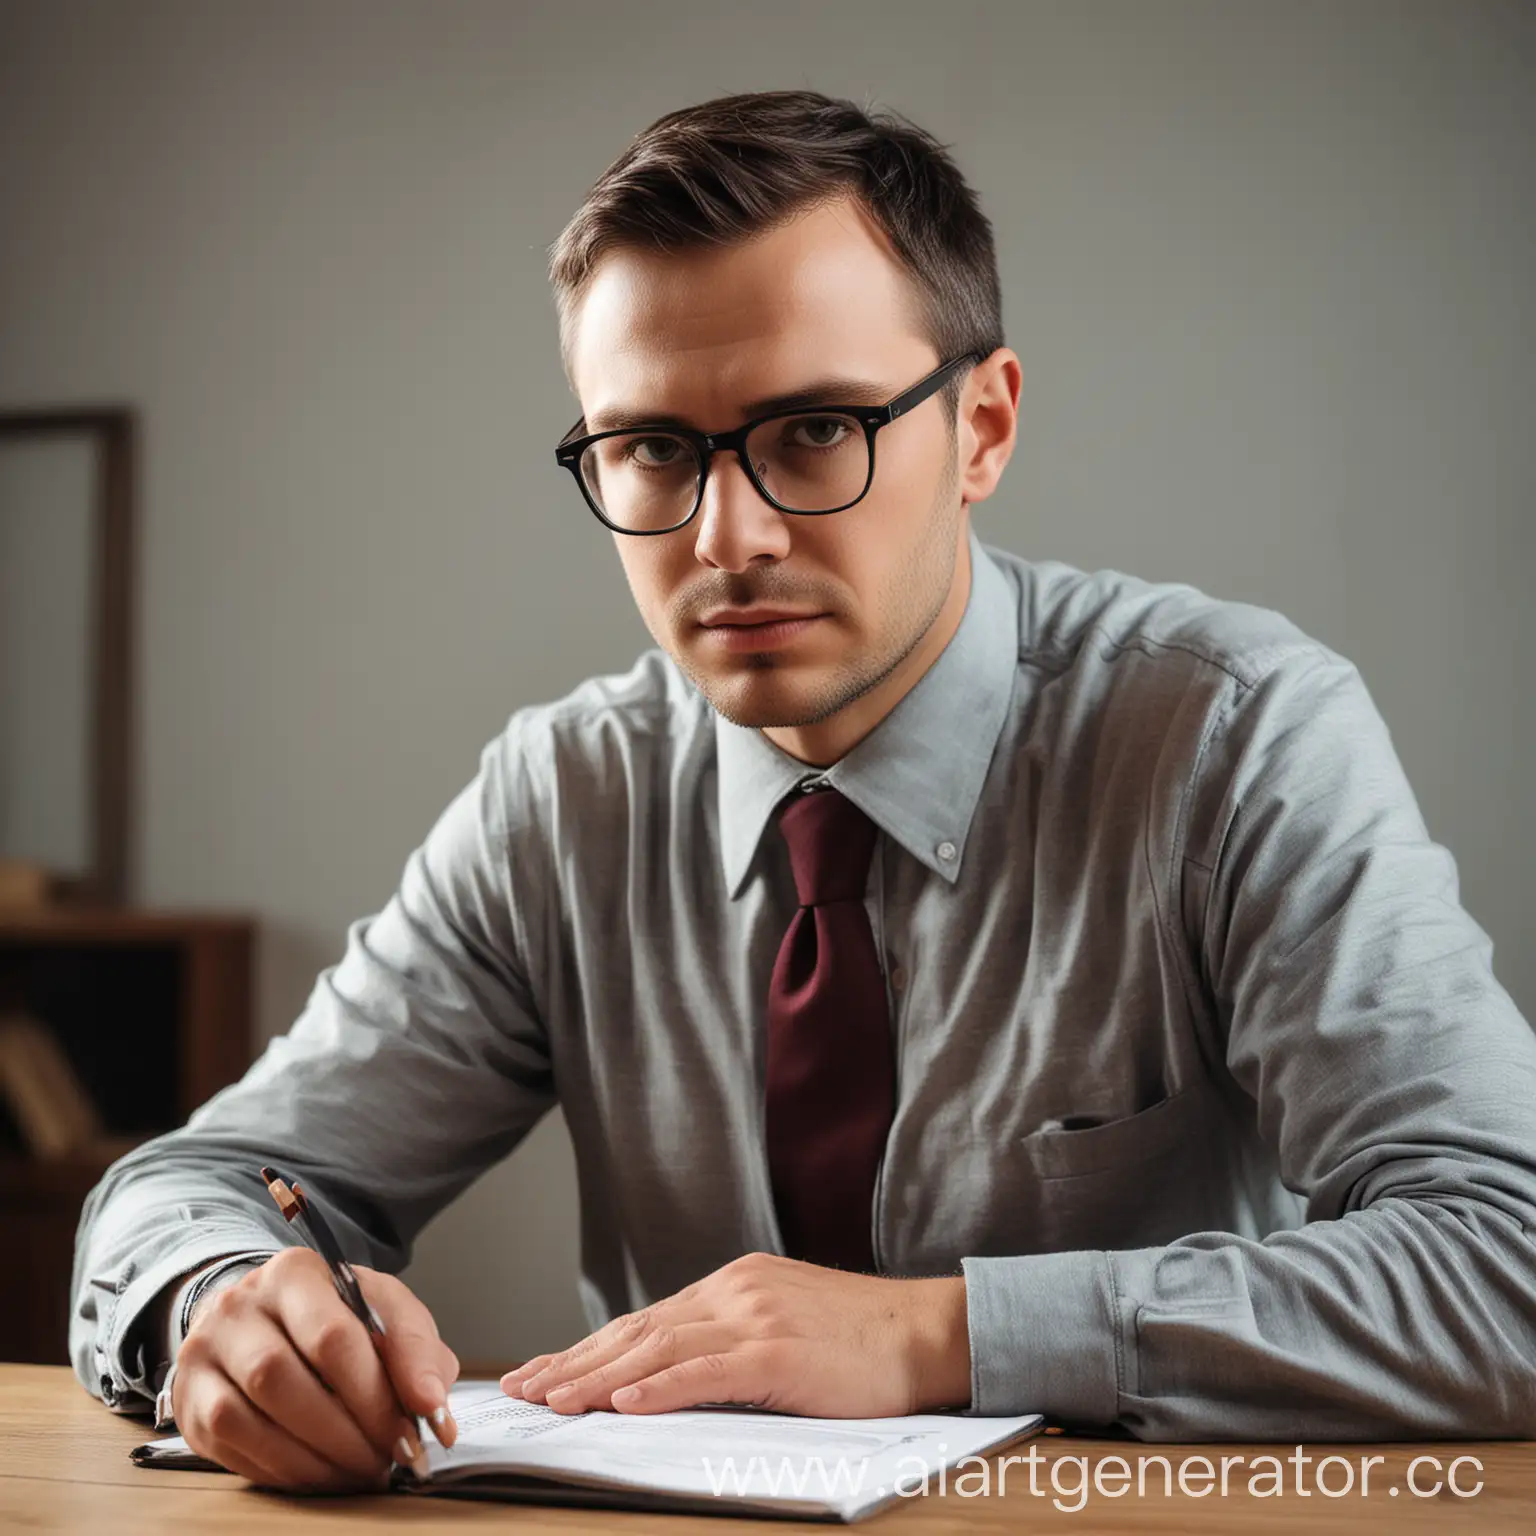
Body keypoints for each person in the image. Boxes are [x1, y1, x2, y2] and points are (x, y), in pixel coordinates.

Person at [72, 88, 1536, 1493]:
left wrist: (936, 1333)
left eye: (815, 431)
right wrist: (217, 1304)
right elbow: (196, 1184)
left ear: (984, 429)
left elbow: (1508, 1262)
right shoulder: (564, 800)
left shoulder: (1231, 736)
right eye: (653, 449)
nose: (727, 536)